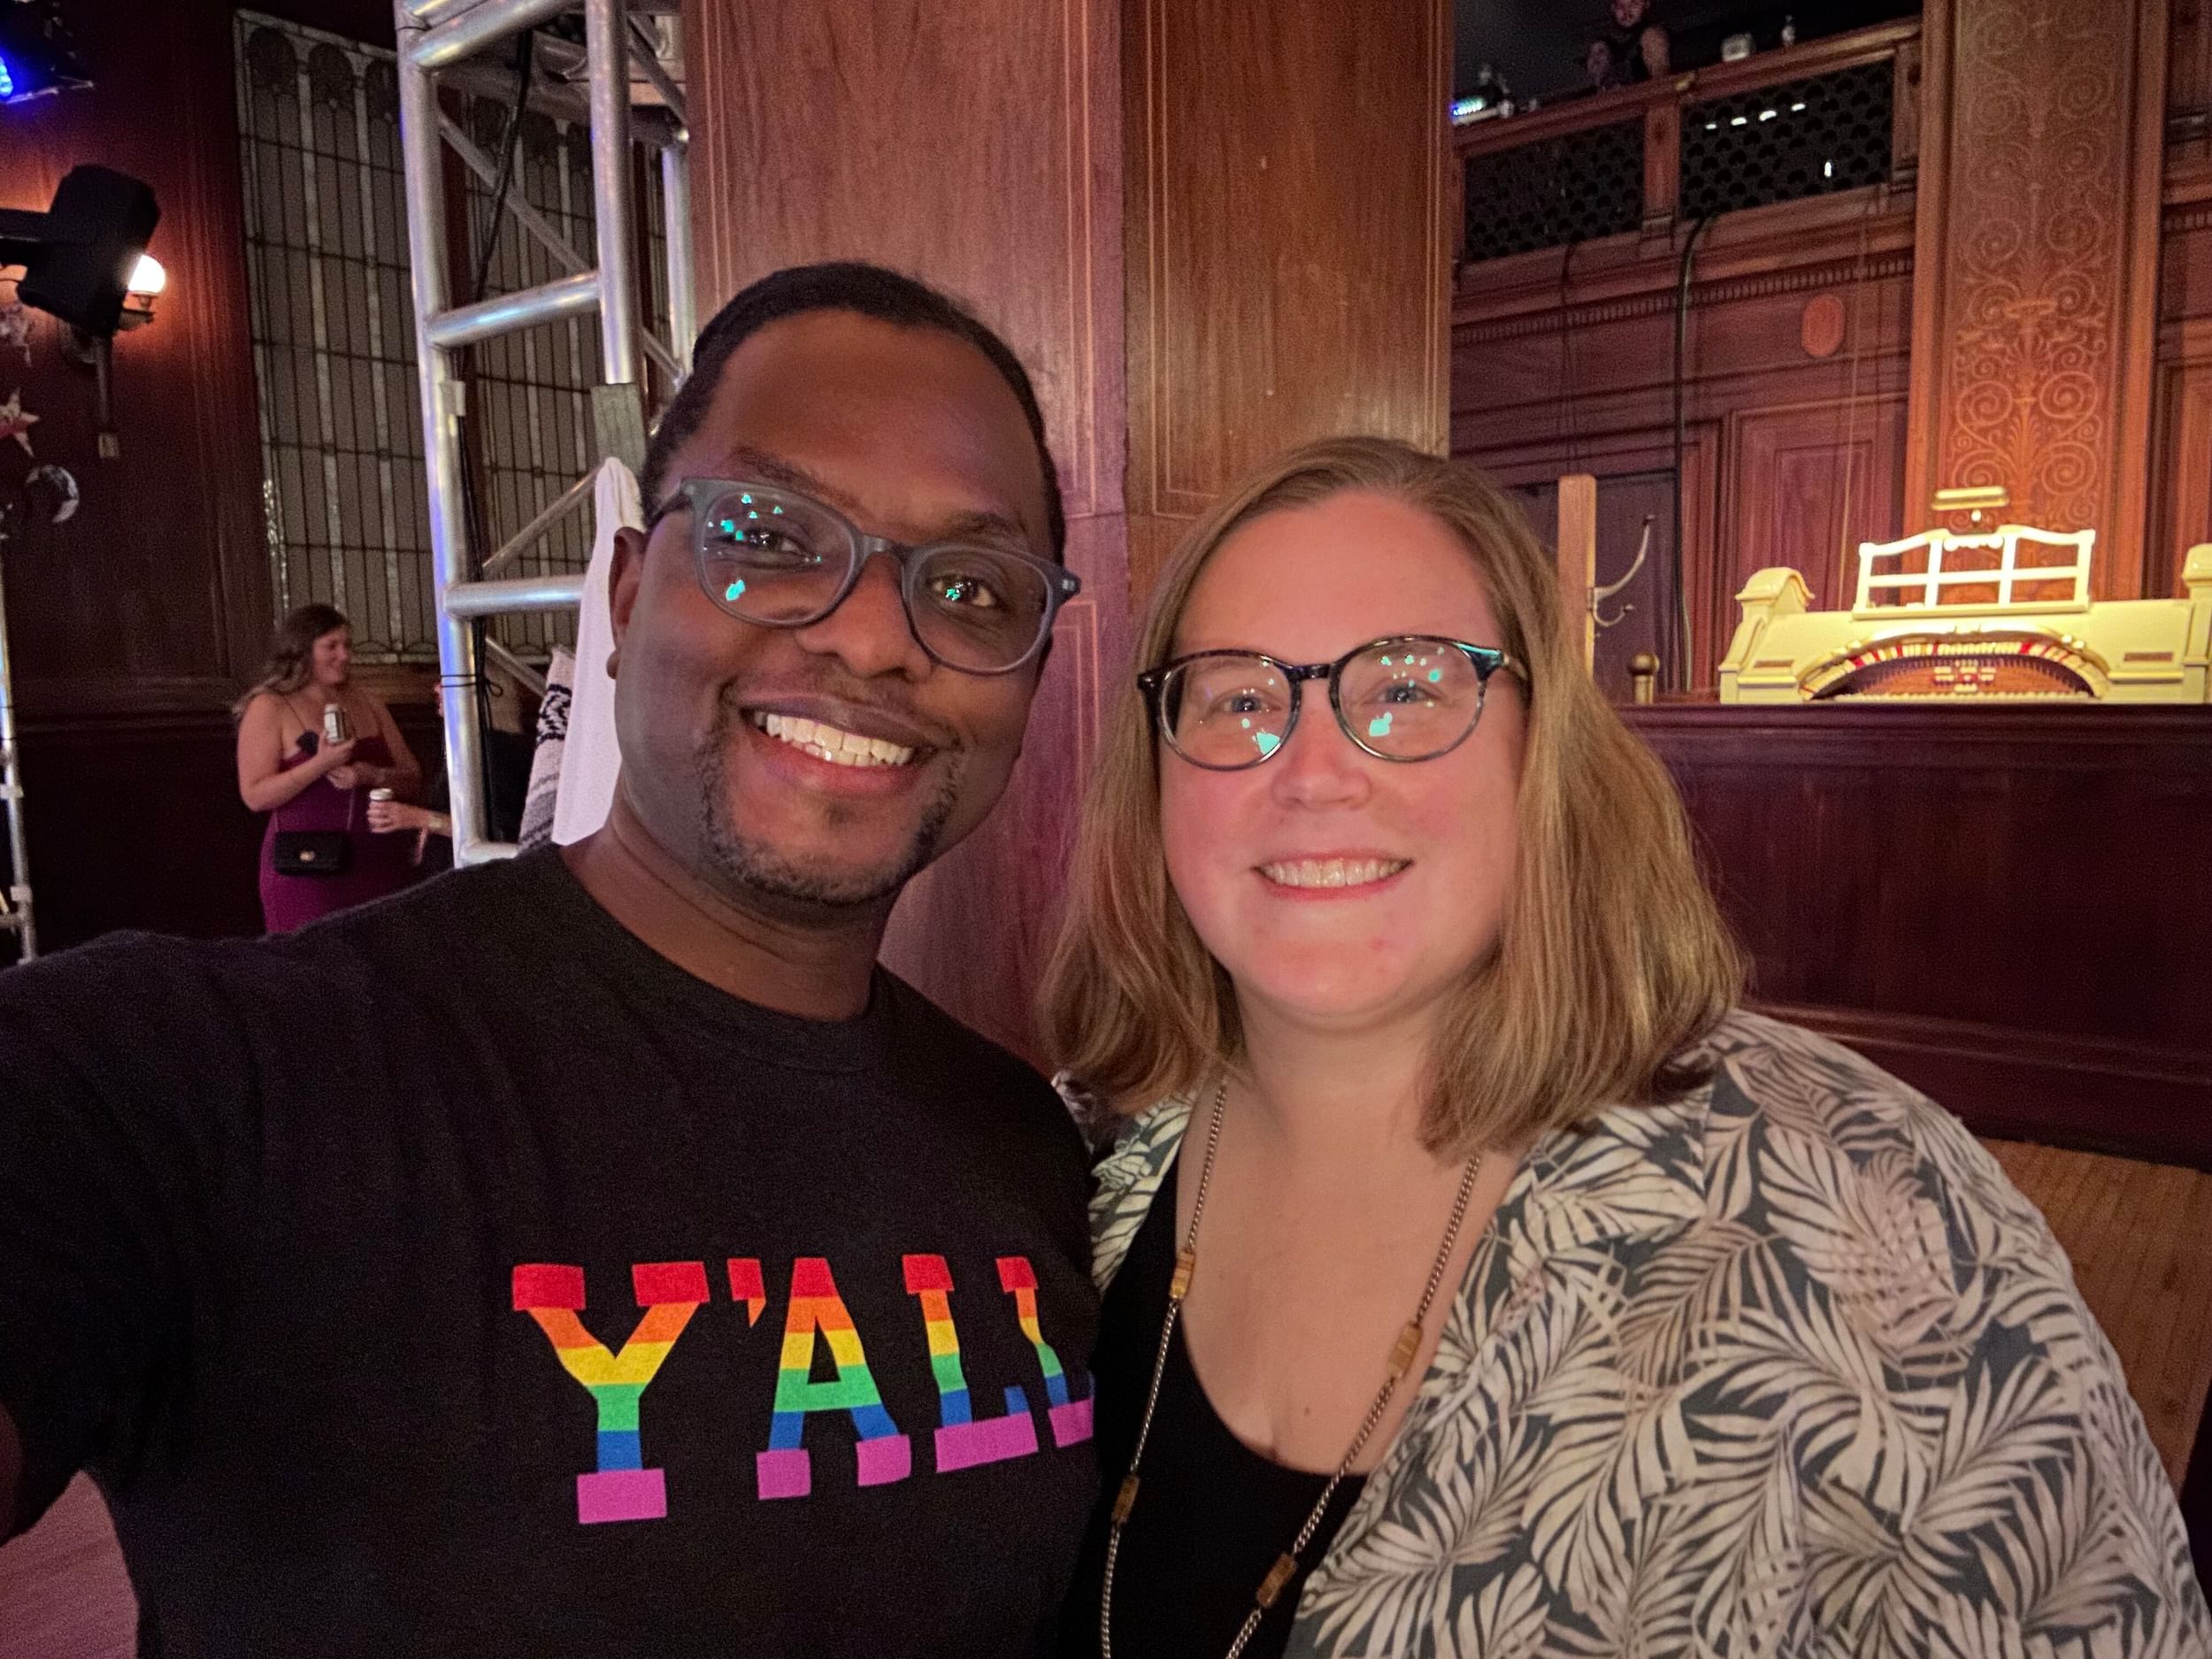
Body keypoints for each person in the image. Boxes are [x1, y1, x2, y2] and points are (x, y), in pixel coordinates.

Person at [0, 262, 1097, 1657]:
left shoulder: (1029, 1154)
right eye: (769, 531)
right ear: (632, 593)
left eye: (976, 587)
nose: (875, 634)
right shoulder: (207, 1078)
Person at [1044, 437, 2209, 1658]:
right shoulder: (1064, 1158)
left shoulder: (1881, 1217)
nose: (1315, 769)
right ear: (1160, 767)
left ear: (1542, 752)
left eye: (1407, 687)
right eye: (1240, 695)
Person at [234, 603, 426, 931]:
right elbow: (255, 795)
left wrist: (371, 775)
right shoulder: (269, 706)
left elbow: (413, 778)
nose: (344, 655)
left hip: (379, 863)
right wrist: (319, 765)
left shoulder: (369, 702)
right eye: (331, 646)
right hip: (308, 870)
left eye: (347, 645)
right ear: (302, 650)